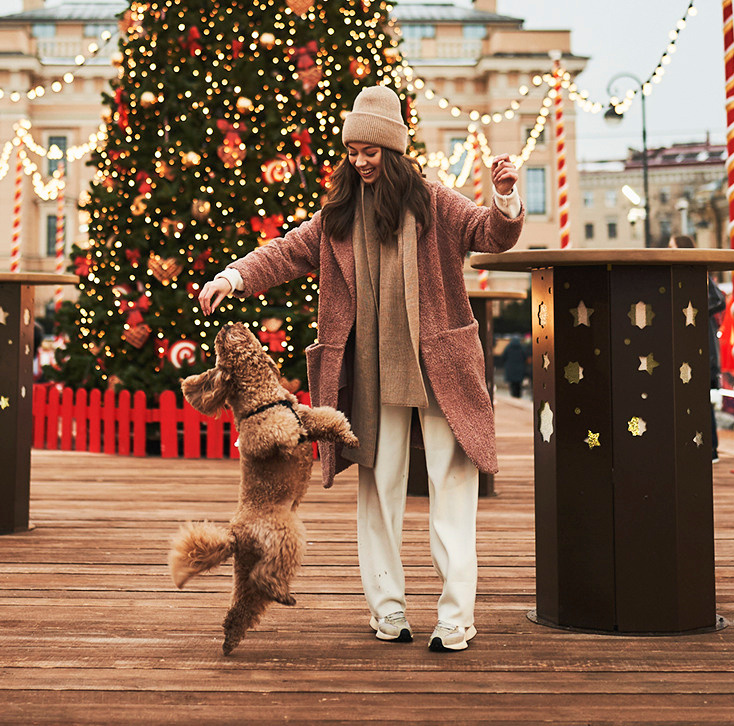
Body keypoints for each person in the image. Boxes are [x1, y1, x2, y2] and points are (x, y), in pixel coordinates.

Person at [197, 84, 524, 653]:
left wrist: (504, 198)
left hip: (440, 367)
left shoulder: (436, 203)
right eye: (352, 152)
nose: (359, 161)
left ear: (392, 151)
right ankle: (388, 609)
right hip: (371, 376)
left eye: (370, 152)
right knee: (378, 488)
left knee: (452, 488)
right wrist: (233, 276)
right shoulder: (338, 217)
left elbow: (489, 235)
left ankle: (455, 618)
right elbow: (284, 252)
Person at [669, 234, 723, 460]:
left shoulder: (697, 275)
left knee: (701, 399)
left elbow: (718, 299)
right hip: (697, 349)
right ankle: (699, 445)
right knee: (694, 398)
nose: (667, 249)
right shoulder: (685, 277)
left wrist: (693, 311)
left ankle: (709, 447)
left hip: (702, 351)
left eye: (671, 246)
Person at [499, 332, 529, 398]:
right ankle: (518, 395)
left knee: (512, 384)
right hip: (520, 369)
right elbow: (525, 357)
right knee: (519, 384)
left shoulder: (508, 347)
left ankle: (513, 396)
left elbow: (503, 357)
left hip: (510, 368)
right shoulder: (522, 348)